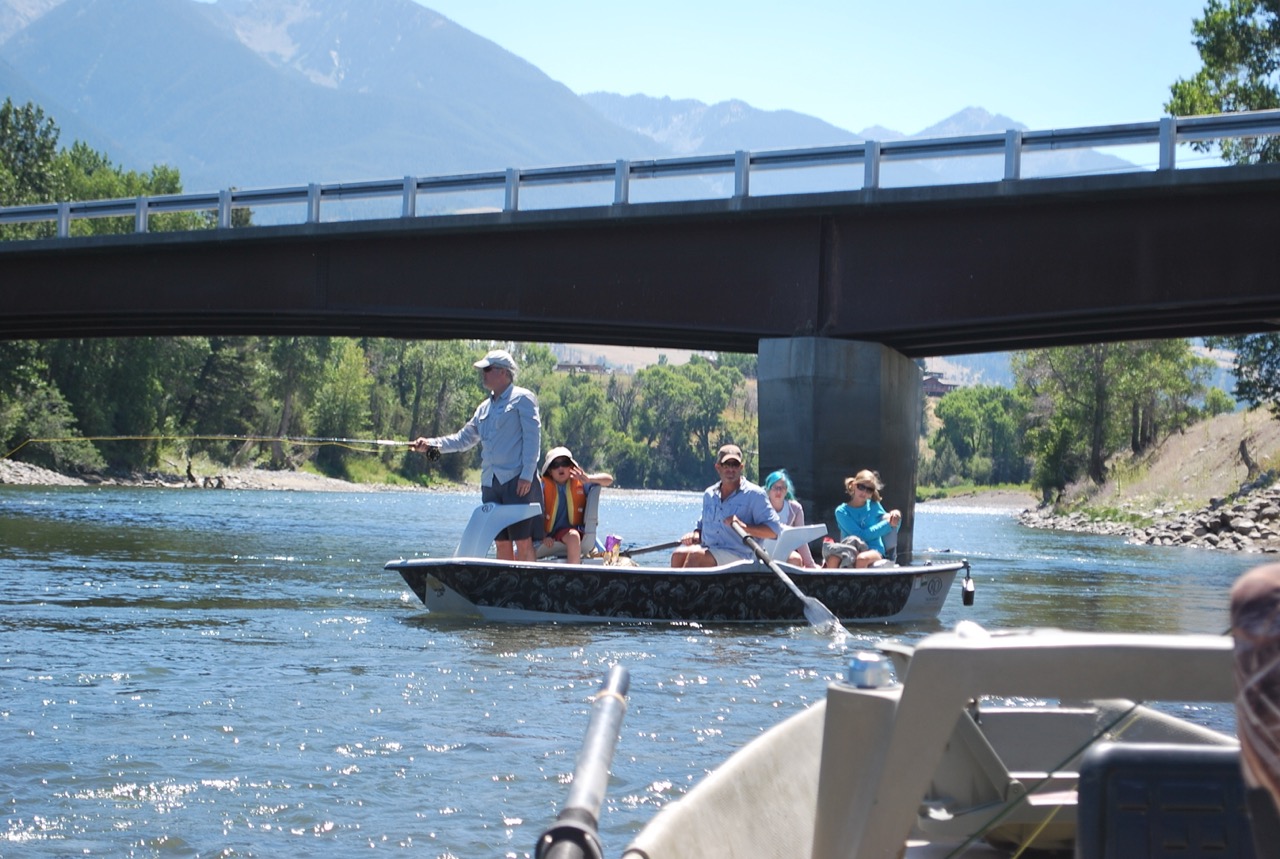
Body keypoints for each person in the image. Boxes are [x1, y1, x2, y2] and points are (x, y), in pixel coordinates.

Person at [412, 349, 541, 562]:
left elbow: (533, 438)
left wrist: (527, 474)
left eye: (487, 369)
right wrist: (430, 445)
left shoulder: (523, 399)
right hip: (491, 483)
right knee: (501, 541)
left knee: (523, 540)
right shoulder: (483, 408)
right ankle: (506, 586)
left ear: (503, 373)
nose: (483, 374)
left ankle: (529, 587)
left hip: (518, 482)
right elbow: (462, 440)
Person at [671, 444, 781, 568]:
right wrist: (696, 534)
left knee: (696, 556)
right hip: (710, 550)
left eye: (734, 465)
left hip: (741, 556)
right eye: (726, 465)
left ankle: (686, 586)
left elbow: (774, 531)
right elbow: (702, 527)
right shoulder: (709, 494)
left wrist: (744, 527)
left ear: (741, 467)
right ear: (718, 467)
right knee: (678, 554)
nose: (731, 469)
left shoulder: (755, 495)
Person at [539, 445, 613, 564]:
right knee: (573, 537)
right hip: (547, 534)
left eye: (564, 463)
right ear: (549, 471)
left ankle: (573, 575)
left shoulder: (581, 483)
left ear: (571, 467)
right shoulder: (542, 486)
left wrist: (589, 478)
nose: (560, 468)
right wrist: (542, 536)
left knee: (573, 536)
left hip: (571, 533)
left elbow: (609, 480)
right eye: (555, 465)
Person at [822, 469, 901, 569]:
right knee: (833, 559)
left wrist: (896, 515)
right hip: (850, 548)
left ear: (872, 493)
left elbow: (895, 525)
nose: (864, 492)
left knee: (862, 559)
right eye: (861, 487)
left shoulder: (874, 506)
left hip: (874, 550)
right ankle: (832, 583)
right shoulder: (841, 512)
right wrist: (888, 524)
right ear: (854, 485)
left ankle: (858, 584)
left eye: (869, 490)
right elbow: (860, 535)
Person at [762, 469, 817, 568]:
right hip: (762, 549)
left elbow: (801, 538)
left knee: (796, 559)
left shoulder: (795, 509)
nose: (778, 491)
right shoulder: (760, 506)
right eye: (775, 488)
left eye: (782, 488)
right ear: (768, 490)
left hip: (784, 551)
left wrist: (810, 564)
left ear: (786, 490)